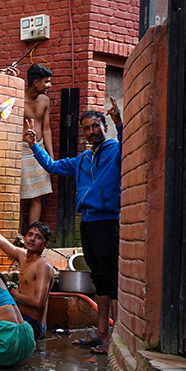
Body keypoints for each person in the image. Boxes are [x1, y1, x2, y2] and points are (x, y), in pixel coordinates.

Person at [23, 99, 122, 354]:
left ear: (104, 127)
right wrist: (34, 145)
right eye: (86, 128)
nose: (91, 131)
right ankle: (101, 332)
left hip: (108, 222)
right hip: (87, 222)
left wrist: (121, 124)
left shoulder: (115, 150)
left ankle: (117, 338)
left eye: (95, 126)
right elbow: (52, 167)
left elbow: (131, 148)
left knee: (111, 280)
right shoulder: (81, 160)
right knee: (98, 279)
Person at [0, 189, 54, 340]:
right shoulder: (22, 255)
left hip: (32, 326)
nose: (32, 239)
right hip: (19, 318)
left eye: (38, 237)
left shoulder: (44, 266)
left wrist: (15, 295)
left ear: (45, 245)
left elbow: (38, 302)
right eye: (30, 234)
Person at [21, 64, 54, 232]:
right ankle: (17, 236)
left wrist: (51, 159)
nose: (49, 85)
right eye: (47, 82)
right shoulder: (19, 101)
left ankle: (32, 234)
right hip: (22, 152)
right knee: (18, 198)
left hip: (39, 150)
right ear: (36, 83)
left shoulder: (45, 101)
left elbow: (46, 129)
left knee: (37, 198)